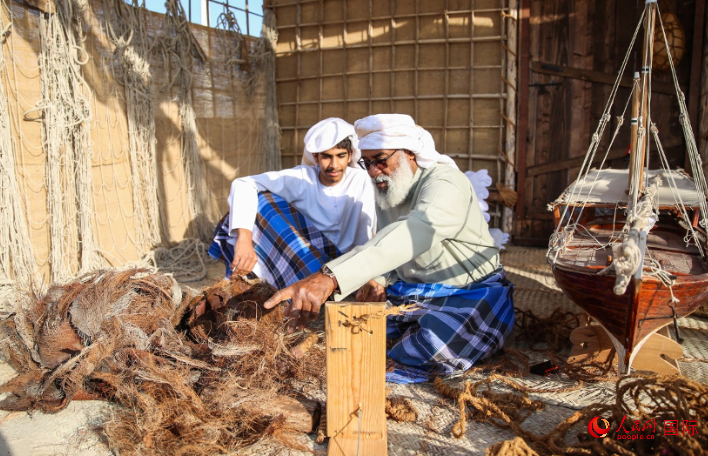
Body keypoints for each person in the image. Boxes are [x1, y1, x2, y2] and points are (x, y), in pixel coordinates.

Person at [264, 113, 515, 383]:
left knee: (433, 346)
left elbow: (412, 232)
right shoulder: (386, 187)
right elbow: (386, 242)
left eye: (381, 160)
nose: (373, 171)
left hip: (468, 292)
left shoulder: (446, 183)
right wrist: (379, 278)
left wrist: (330, 276)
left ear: (409, 153)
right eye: (368, 162)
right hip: (409, 291)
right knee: (349, 327)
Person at [209, 117, 376, 290]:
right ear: (315, 156)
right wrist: (244, 240)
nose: (334, 165)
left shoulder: (364, 180)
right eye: (326, 157)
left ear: (350, 156)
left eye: (340, 156)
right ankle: (246, 280)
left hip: (350, 265)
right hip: (308, 260)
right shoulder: (303, 178)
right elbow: (243, 184)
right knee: (261, 201)